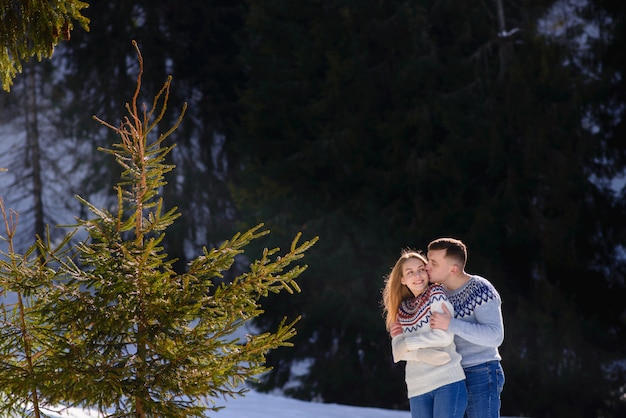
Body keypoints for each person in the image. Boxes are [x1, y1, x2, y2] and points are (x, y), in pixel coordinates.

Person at [382, 249, 467, 418]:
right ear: (403, 280)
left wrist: (409, 344)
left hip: (447, 381)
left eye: (421, 269)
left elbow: (444, 337)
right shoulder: (402, 310)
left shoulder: (436, 294)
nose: (418, 275)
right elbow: (397, 353)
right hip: (417, 387)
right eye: (410, 272)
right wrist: (423, 354)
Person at [425, 237, 505, 418]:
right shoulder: (438, 293)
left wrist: (451, 324)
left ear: (452, 269)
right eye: (428, 261)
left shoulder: (480, 289)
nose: (427, 266)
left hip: (481, 372)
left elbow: (495, 336)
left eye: (434, 263)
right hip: (450, 375)